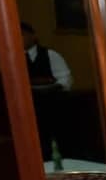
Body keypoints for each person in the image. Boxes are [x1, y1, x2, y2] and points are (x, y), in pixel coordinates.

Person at [21, 22, 72, 159]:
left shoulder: (50, 55)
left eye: (22, 35)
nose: (20, 39)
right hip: (28, 107)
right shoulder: (15, 58)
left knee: (60, 140)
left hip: (53, 105)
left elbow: (65, 80)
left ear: (33, 36)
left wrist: (49, 86)